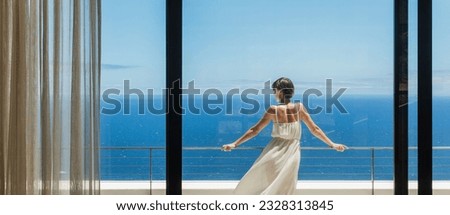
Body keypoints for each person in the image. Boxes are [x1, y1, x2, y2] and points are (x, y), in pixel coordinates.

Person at [221, 77, 348, 195]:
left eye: (275, 90)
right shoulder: (300, 108)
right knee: (286, 189)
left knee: (264, 186)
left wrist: (234, 143)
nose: (273, 93)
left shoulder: (274, 110)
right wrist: (332, 144)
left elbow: (254, 130)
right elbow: (315, 129)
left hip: (273, 153)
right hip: (293, 153)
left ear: (280, 91)